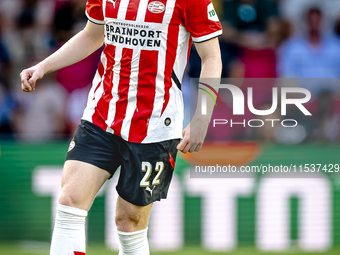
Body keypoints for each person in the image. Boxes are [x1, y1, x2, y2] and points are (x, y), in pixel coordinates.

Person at [20, 0, 222, 254]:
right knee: (69, 201)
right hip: (101, 115)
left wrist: (202, 117)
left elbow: (212, 57)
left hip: (156, 126)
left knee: (129, 223)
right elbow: (92, 36)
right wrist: (43, 67)